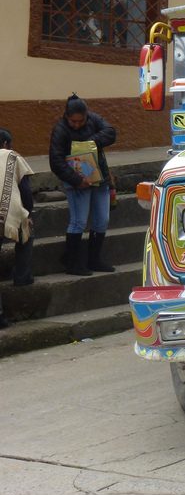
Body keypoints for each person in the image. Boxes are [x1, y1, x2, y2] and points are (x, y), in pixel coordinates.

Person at [49, 94, 117, 276]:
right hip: (77, 181)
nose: (77, 124)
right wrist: (77, 180)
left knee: (102, 220)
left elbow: (111, 132)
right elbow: (56, 161)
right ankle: (73, 263)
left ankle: (94, 260)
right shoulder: (60, 130)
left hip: (99, 177)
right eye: (73, 121)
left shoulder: (94, 120)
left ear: (87, 115)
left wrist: (91, 142)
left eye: (81, 121)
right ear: (67, 117)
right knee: (78, 221)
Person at [0, 129, 34, 329]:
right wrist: (28, 214)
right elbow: (25, 190)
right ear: (5, 143)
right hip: (9, 213)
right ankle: (22, 276)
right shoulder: (13, 157)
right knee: (27, 235)